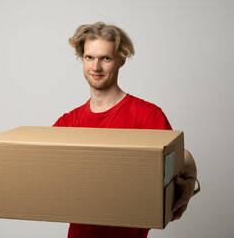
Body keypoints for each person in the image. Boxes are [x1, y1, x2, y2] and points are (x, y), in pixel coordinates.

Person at [53, 22, 198, 238]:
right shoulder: (68, 122)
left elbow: (181, 156)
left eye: (106, 58)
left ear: (121, 60)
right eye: (89, 57)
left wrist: (187, 184)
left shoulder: (146, 114)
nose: (96, 67)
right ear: (81, 59)